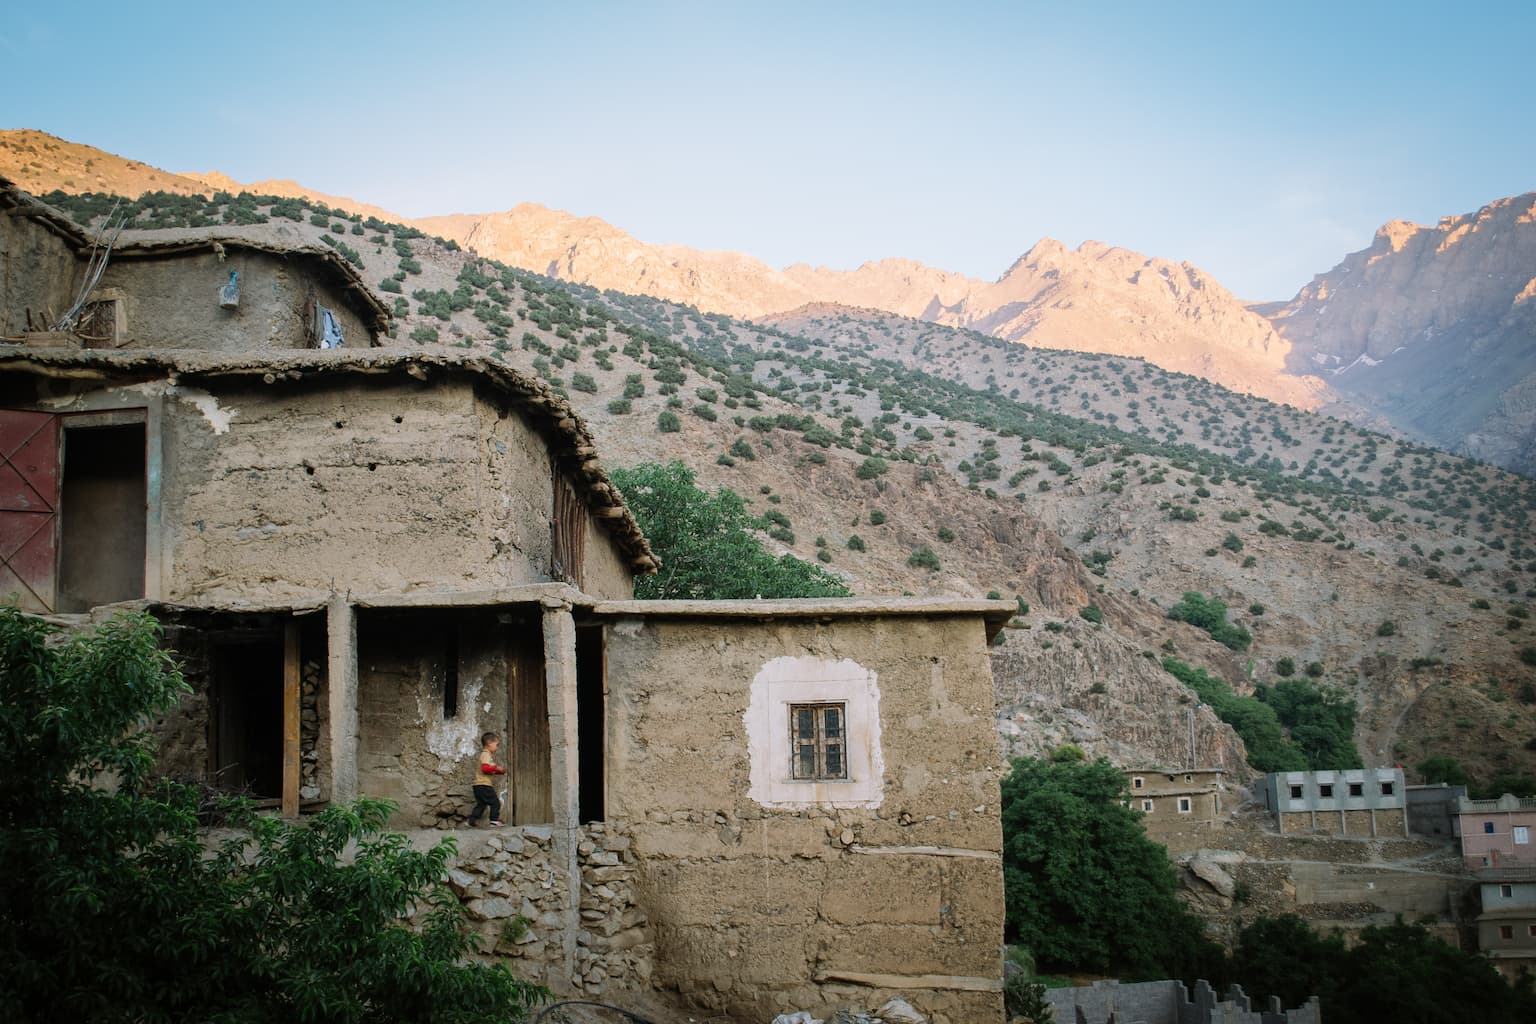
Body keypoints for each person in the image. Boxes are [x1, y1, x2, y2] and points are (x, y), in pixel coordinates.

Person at [468, 731, 507, 827]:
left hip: (478, 785)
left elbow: (488, 770)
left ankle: (471, 820)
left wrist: (499, 771)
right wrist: (496, 768)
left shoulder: (486, 755)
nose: (497, 747)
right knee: (495, 803)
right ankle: (494, 821)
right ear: (489, 743)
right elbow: (485, 769)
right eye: (496, 745)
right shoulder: (486, 754)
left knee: (481, 804)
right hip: (484, 784)